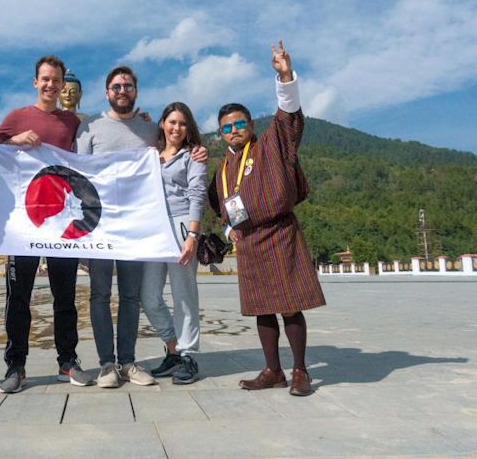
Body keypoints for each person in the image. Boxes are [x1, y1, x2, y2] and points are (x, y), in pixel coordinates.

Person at [75, 66, 208, 388]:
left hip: (155, 229)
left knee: (155, 296)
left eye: (128, 86)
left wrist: (192, 233)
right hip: (111, 226)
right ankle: (122, 361)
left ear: (136, 91)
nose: (122, 90)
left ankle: (171, 356)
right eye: (117, 86)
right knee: (126, 296)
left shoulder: (153, 134)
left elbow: (196, 193)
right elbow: (79, 173)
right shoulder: (92, 127)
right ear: (107, 91)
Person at [208, 40, 326, 396]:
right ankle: (272, 370)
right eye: (226, 128)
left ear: (249, 124)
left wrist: (285, 76)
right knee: (262, 309)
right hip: (249, 242)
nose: (233, 131)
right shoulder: (222, 170)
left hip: (280, 233)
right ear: (220, 134)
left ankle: (300, 371)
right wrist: (229, 228)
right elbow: (219, 205)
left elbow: (288, 116)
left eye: (239, 123)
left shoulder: (272, 144)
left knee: (289, 306)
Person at [0, 55, 92, 393]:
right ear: (35, 82)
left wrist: (144, 122)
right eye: (45, 79)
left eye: (56, 80)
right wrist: (14, 141)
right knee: (18, 297)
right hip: (25, 223)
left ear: (63, 85)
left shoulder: (72, 122)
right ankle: (16, 366)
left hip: (61, 222)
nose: (50, 85)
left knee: (64, 296)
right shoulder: (18, 117)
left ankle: (67, 361)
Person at [140, 102, 207, 385]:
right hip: (154, 229)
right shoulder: (151, 156)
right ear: (162, 124)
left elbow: (197, 194)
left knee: (184, 296)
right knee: (149, 296)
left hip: (181, 226)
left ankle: (188, 355)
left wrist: (192, 236)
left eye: (182, 123)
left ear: (188, 127)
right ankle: (172, 347)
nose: (176, 128)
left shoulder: (193, 157)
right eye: (172, 122)